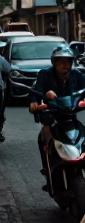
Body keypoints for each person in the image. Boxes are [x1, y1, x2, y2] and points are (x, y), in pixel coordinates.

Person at [29, 44, 85, 179]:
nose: (63, 65)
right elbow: (36, 91)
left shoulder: (77, 74)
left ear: (72, 62)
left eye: (67, 61)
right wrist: (34, 103)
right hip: (51, 113)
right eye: (60, 61)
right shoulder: (45, 74)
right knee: (44, 136)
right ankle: (47, 167)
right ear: (54, 62)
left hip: (70, 112)